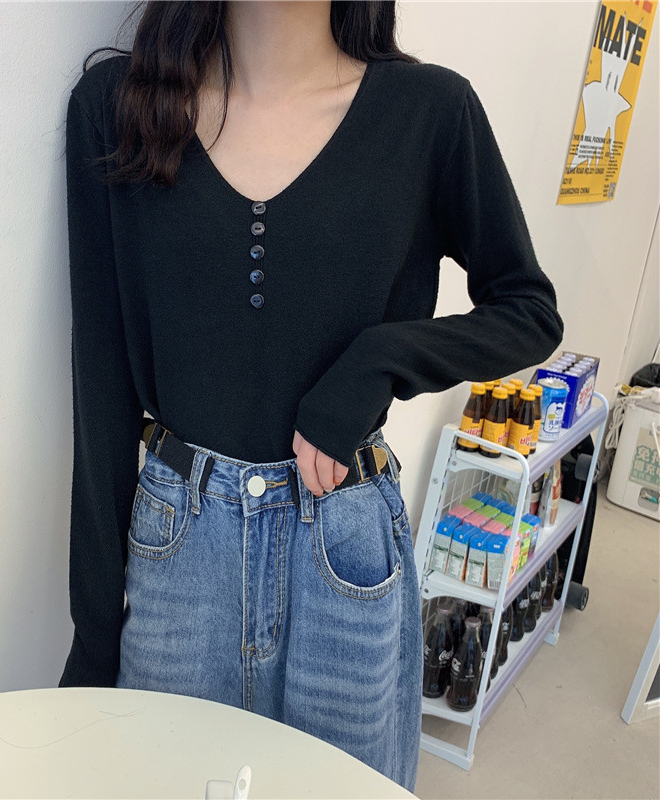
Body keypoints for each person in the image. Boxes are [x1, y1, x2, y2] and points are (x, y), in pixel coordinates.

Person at [59, 1, 564, 791]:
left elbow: (528, 309)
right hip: (179, 553)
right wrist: (93, 638)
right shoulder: (119, 107)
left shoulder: (431, 113)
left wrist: (379, 362)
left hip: (344, 546)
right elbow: (101, 385)